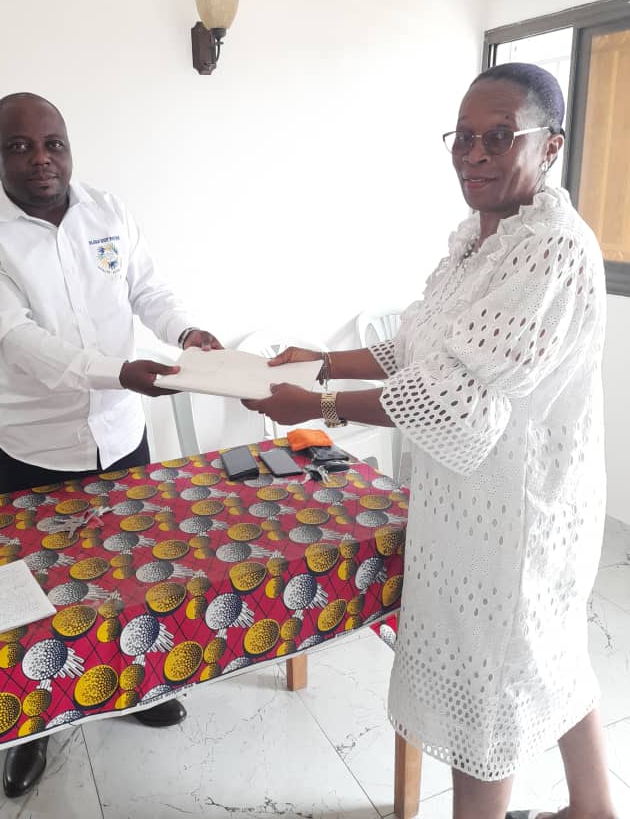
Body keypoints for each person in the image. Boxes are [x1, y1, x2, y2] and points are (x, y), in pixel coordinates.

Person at [243, 63, 616, 819]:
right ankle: (596, 807)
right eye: (463, 138)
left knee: (490, 690)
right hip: (473, 497)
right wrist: (319, 359)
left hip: (519, 513)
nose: (473, 155)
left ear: (550, 146)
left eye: (499, 137)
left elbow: (453, 398)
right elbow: (417, 345)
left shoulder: (551, 249)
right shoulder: (480, 238)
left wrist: (314, 403)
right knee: (548, 655)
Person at [0, 92, 221, 798]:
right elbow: (15, 340)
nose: (41, 159)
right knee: (34, 592)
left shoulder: (108, 211)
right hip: (33, 448)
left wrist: (185, 332)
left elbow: (148, 290)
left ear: (69, 147)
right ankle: (32, 726)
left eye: (54, 143)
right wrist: (115, 372)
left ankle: (133, 686)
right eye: (19, 146)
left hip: (122, 435)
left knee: (129, 573)